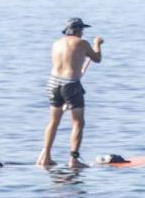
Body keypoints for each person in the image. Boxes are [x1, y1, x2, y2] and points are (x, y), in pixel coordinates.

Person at [37, 17, 104, 169]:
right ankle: (73, 160)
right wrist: (97, 45)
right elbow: (97, 59)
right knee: (78, 123)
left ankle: (46, 156)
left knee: (53, 121)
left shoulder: (56, 43)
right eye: (82, 30)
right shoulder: (82, 43)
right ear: (78, 30)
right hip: (71, 85)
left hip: (53, 83)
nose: (82, 33)